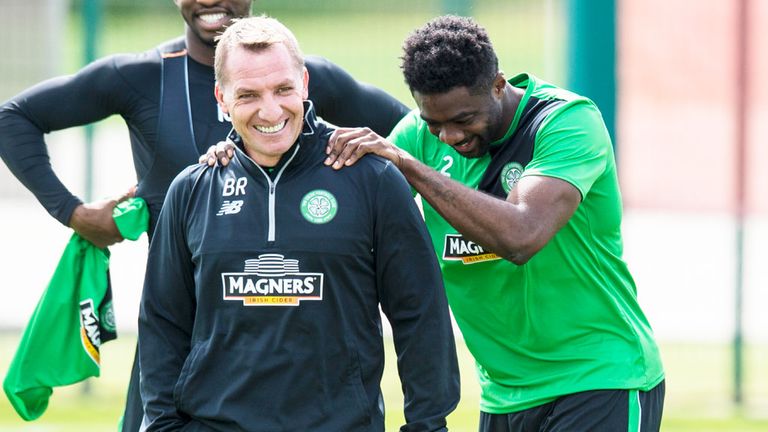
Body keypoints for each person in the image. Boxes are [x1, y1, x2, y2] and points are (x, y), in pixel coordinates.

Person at [0, 1, 409, 430]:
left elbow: (416, 135)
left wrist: (377, 148)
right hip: (179, 344)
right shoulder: (142, 76)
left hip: (300, 357)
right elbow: (14, 118)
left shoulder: (305, 77)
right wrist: (74, 212)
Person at [320, 15, 666, 432]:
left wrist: (412, 168)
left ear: (498, 85)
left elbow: (522, 236)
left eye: (463, 120)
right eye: (434, 123)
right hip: (503, 395)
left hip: (600, 378)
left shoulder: (566, 123)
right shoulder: (418, 135)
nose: (448, 136)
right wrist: (232, 162)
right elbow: (350, 205)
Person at [138, 15, 459, 431]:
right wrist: (164, 425)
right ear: (221, 97)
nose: (270, 110)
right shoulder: (194, 189)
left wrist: (427, 425)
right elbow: (162, 321)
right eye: (248, 94)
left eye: (283, 89)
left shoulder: (371, 179)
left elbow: (421, 313)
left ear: (304, 83)